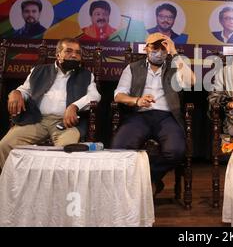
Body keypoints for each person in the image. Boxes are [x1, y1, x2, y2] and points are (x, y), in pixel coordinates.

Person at [112, 32, 195, 195]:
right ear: (146, 48)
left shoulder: (174, 66)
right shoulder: (132, 68)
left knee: (176, 151)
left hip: (167, 117)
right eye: (154, 47)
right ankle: (145, 182)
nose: (159, 51)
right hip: (139, 115)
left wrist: (174, 53)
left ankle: (147, 179)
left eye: (163, 47)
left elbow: (191, 81)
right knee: (119, 148)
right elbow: (118, 95)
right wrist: (137, 100)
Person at [0, 38, 101, 170]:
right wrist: (16, 92)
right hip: (36, 120)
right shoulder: (39, 71)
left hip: (66, 123)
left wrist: (74, 106)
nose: (74, 55)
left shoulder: (86, 75)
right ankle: (10, 185)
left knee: (67, 151)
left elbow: (94, 96)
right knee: (5, 145)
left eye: (78, 53)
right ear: (58, 54)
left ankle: (55, 188)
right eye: (69, 51)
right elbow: (25, 90)